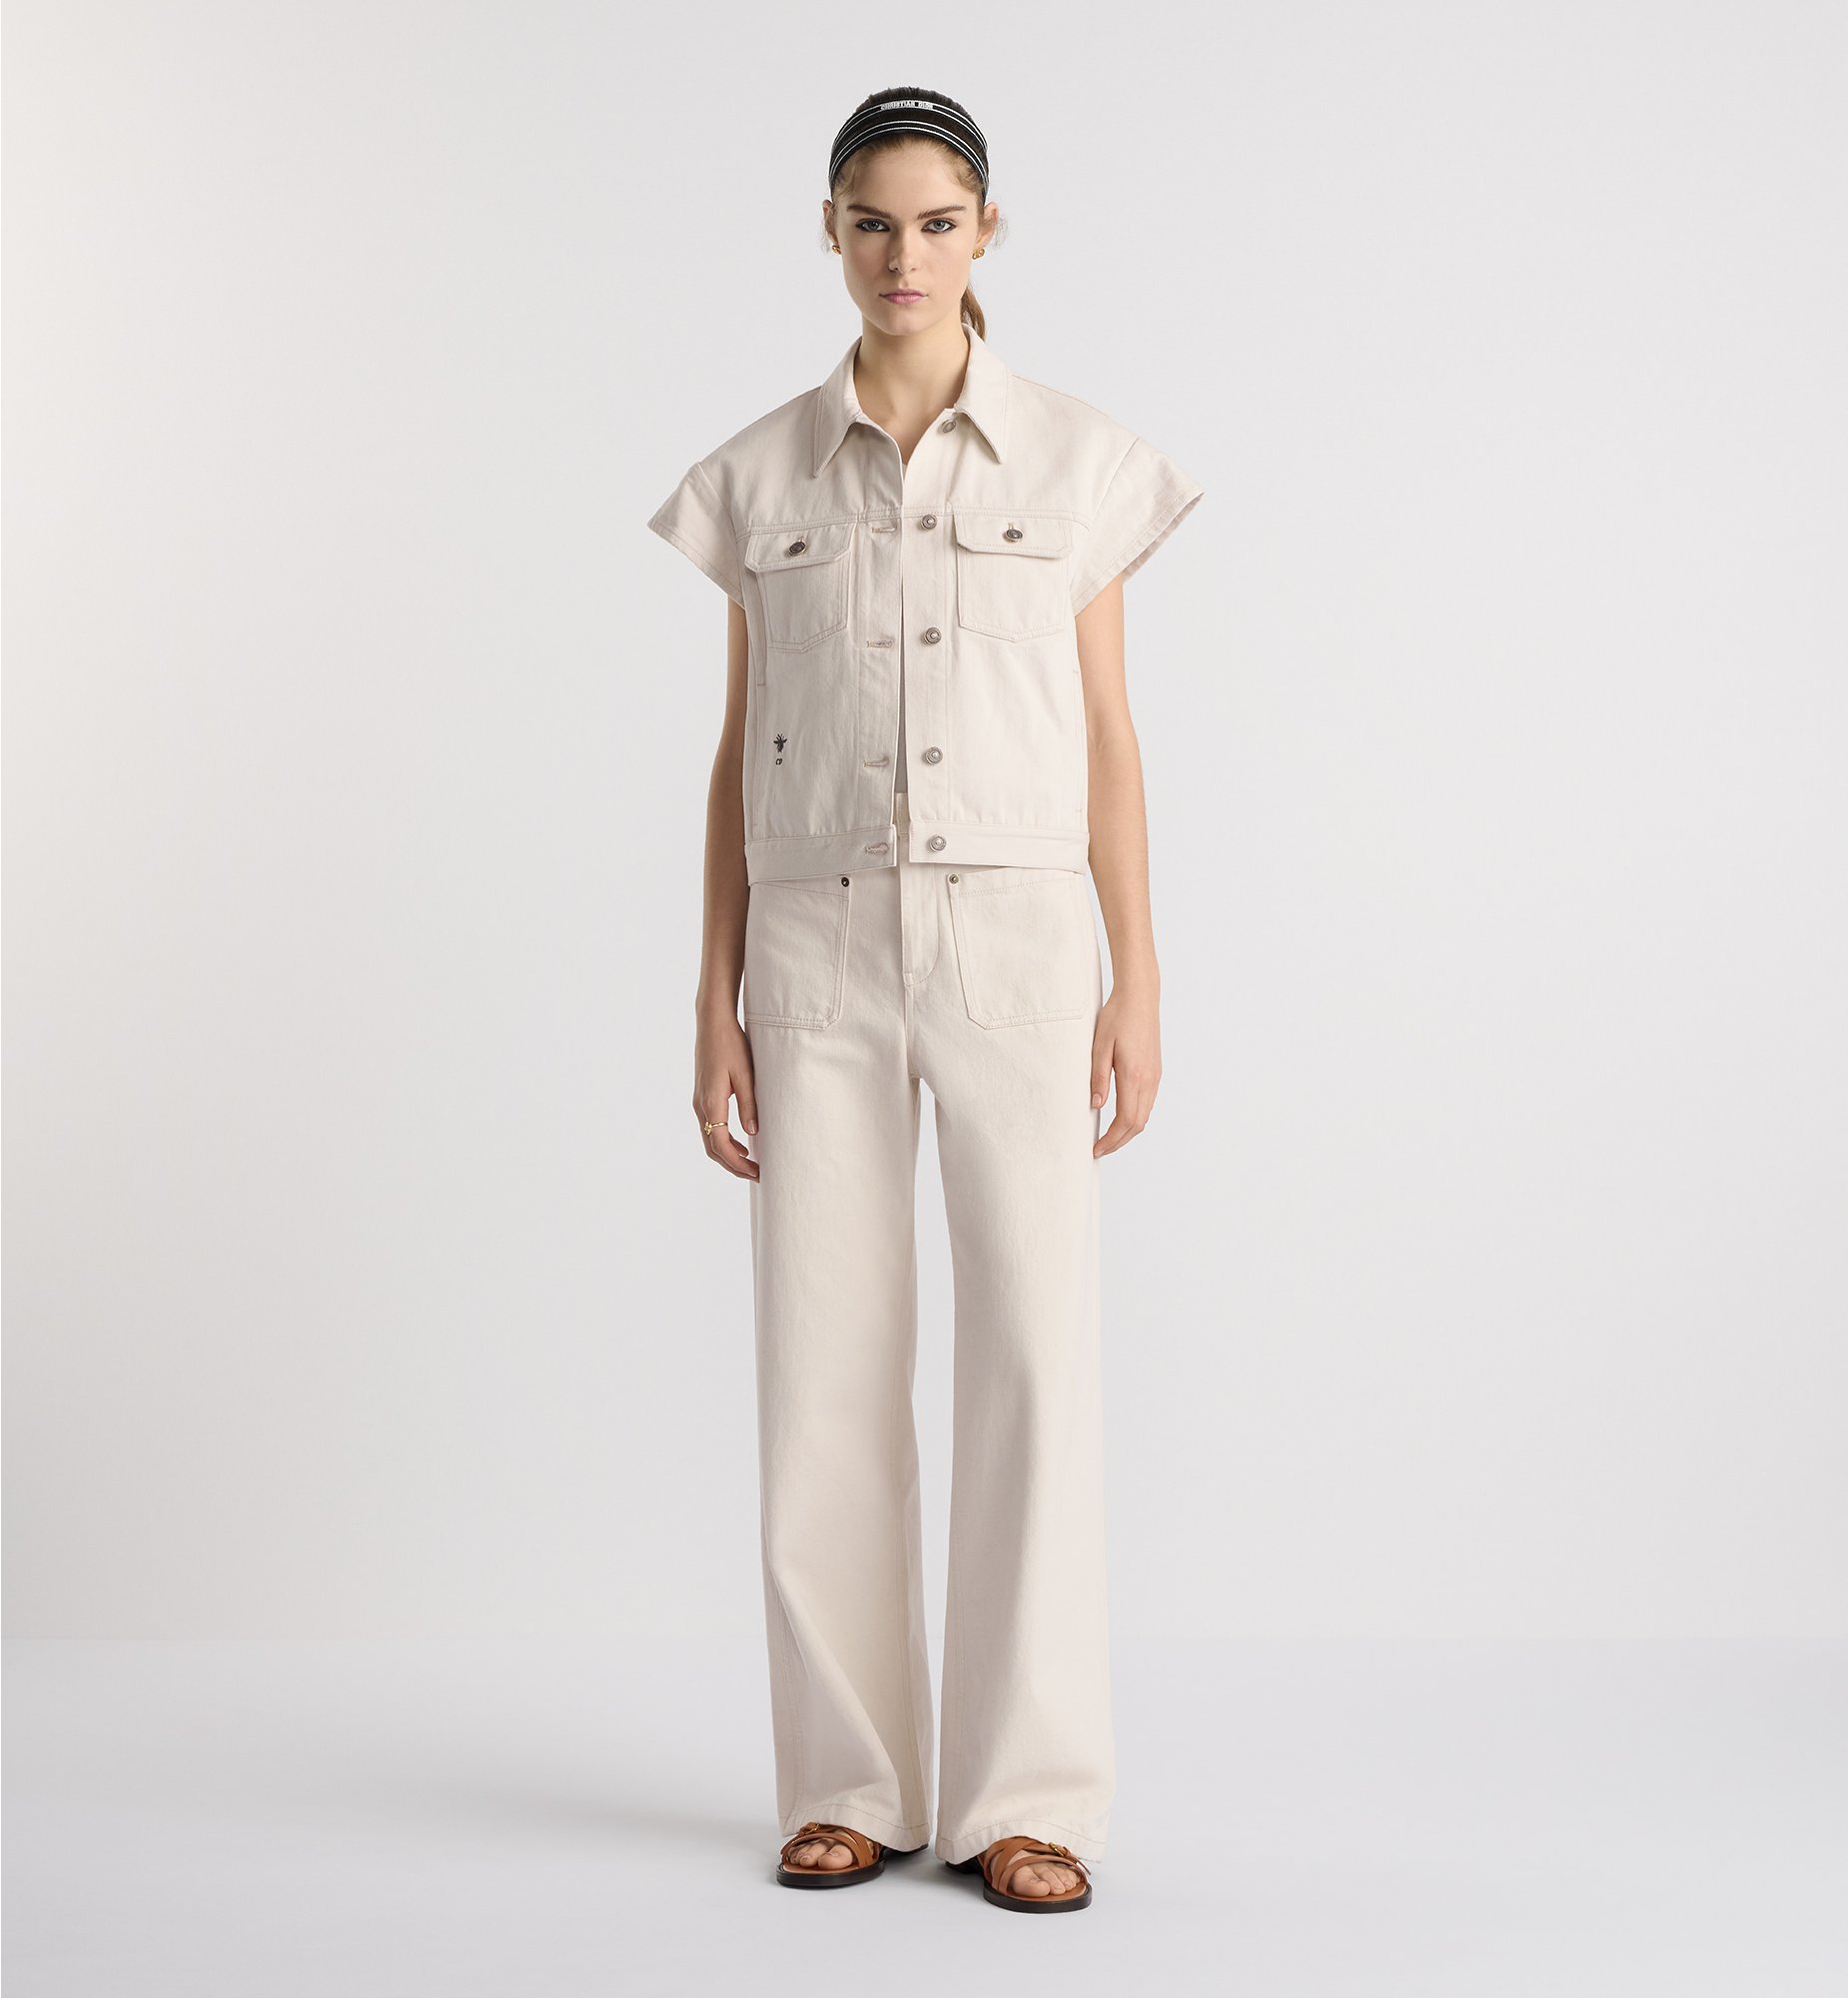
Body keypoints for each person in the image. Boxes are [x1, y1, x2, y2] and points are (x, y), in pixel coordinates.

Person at [647, 85, 1203, 1915]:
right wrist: (713, 995)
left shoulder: (1077, 462)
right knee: (823, 1363)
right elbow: (738, 749)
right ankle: (848, 1782)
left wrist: (1136, 978)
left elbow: (1110, 738)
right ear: (829, 231)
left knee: (1033, 1355)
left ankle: (1026, 1795)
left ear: (986, 233)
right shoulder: (758, 478)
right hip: (813, 952)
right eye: (872, 222)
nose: (905, 255)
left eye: (937, 221)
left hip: (1020, 947)